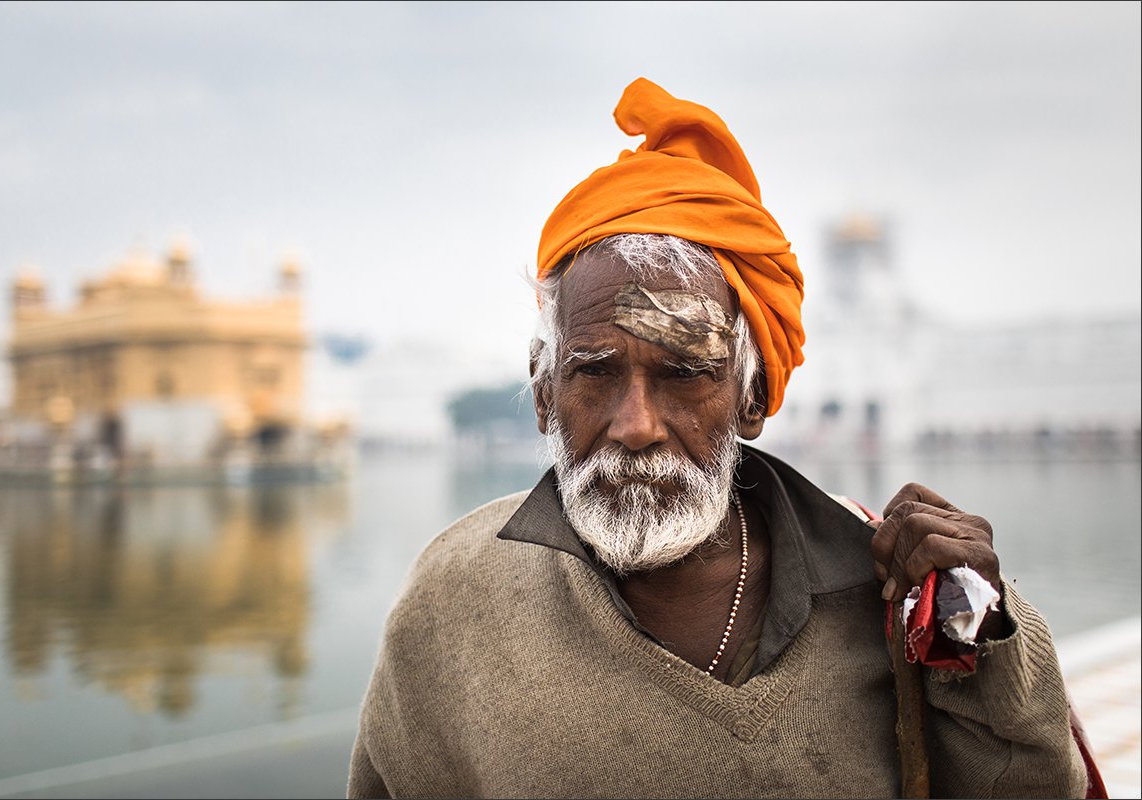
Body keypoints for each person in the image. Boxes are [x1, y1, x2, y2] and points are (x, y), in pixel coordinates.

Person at [348, 78, 1088, 798]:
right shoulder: (452, 601)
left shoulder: (891, 588)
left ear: (754, 397)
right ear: (545, 391)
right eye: (595, 373)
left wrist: (973, 622)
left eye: (683, 374)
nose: (635, 425)